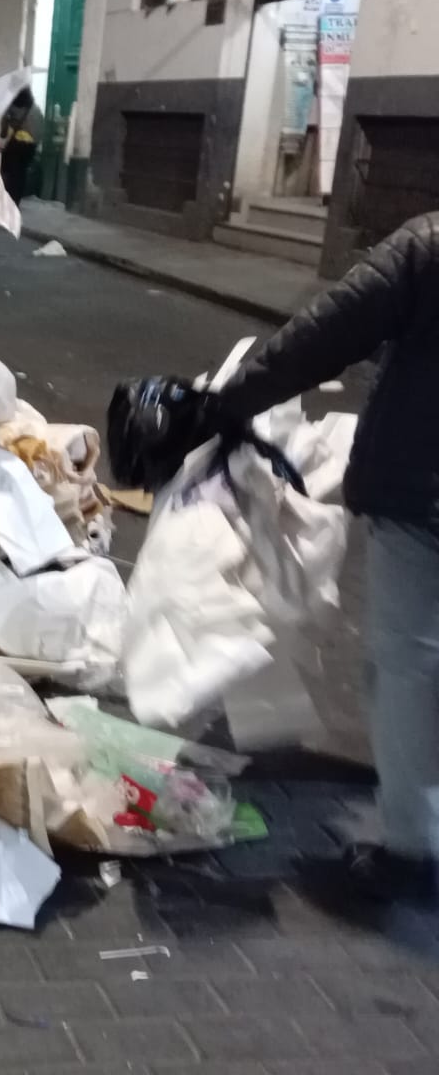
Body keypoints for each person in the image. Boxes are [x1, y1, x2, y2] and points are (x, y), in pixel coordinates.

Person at [215, 213, 439, 902]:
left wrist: (228, 403)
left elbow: (327, 334)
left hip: (423, 495)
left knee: (408, 662)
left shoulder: (430, 246)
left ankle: (417, 850)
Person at [0, 88, 41, 205]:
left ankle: (7, 202)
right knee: (21, 175)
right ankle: (16, 203)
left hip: (17, 146)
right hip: (31, 147)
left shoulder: (11, 108)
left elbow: (3, 133)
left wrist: (6, 119)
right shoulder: (36, 110)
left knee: (8, 173)